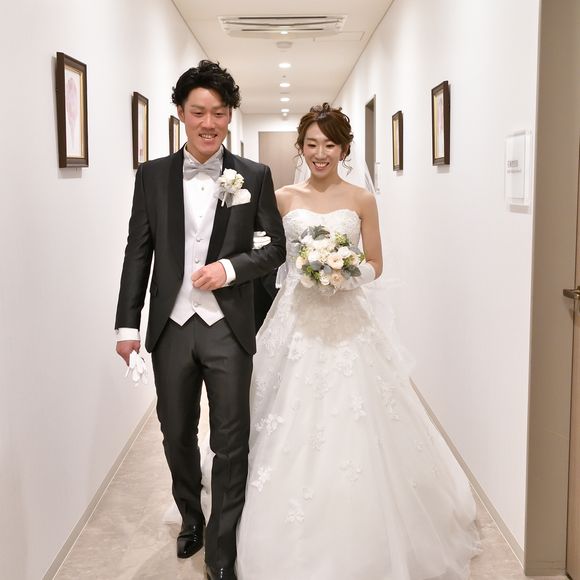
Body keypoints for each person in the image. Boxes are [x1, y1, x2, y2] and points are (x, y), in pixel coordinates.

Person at [234, 104, 480, 579]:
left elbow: (377, 264)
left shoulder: (362, 199)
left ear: (344, 149)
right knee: (281, 411)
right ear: (300, 148)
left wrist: (345, 274)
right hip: (295, 318)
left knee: (360, 417)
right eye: (311, 144)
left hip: (348, 318)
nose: (320, 153)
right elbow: (265, 254)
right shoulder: (282, 197)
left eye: (329, 144)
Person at [114, 60, 286, 580]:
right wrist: (127, 326)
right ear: (181, 114)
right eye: (198, 112)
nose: (208, 123)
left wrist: (229, 269)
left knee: (231, 440)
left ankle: (221, 547)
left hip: (228, 327)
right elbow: (137, 253)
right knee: (175, 432)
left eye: (218, 112)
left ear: (230, 115)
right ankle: (191, 515)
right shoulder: (151, 175)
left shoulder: (254, 175)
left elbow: (275, 249)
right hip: (171, 328)